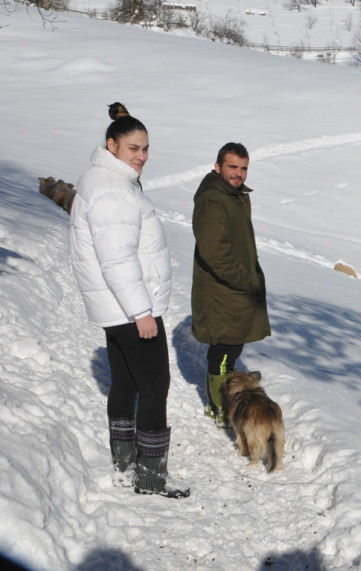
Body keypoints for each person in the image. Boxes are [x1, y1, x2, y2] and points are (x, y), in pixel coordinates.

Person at [69, 102, 190, 499]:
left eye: (146, 148)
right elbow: (117, 259)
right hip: (128, 305)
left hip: (114, 305)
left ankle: (124, 464)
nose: (141, 156)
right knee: (155, 385)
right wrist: (142, 311)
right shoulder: (111, 189)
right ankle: (151, 477)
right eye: (133, 148)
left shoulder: (105, 179)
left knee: (125, 381)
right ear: (112, 144)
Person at [191, 142, 271, 428]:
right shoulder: (214, 200)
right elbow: (215, 253)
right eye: (232, 167)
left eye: (243, 168)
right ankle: (220, 408)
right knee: (223, 353)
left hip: (232, 291)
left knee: (230, 349)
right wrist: (246, 280)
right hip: (223, 292)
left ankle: (220, 402)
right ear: (218, 167)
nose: (238, 174)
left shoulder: (234, 195)